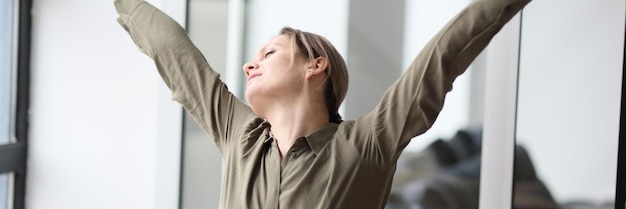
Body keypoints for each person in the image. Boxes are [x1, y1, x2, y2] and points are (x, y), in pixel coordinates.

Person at [113, 0, 530, 208]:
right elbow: (177, 56)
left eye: (269, 54)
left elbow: (445, 53)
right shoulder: (241, 136)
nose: (248, 64)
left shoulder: (365, 144)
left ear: (316, 66)